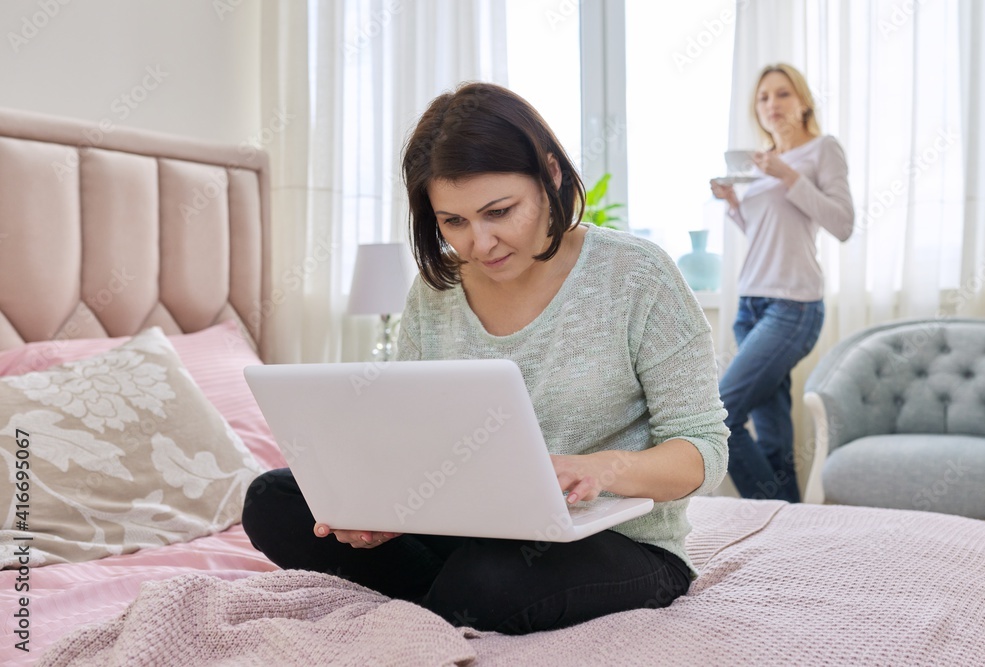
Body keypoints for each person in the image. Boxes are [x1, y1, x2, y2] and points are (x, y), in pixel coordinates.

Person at [243, 82, 729, 635]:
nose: (481, 243)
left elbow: (704, 452)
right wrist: (379, 509)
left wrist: (599, 469)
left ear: (549, 175)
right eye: (454, 222)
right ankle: (445, 596)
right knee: (273, 500)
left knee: (489, 580)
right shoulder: (437, 292)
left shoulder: (638, 275)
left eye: (500, 211)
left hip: (616, 543)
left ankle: (441, 595)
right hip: (468, 531)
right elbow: (407, 434)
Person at [710, 63, 854, 503]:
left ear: (804, 101)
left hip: (793, 308)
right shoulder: (760, 161)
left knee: (719, 416)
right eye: (763, 98)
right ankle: (789, 534)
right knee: (772, 437)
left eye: (783, 94)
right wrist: (735, 204)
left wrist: (786, 175)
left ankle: (777, 513)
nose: (772, 105)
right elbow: (770, 233)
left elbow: (843, 223)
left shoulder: (821, 150)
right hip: (751, 306)